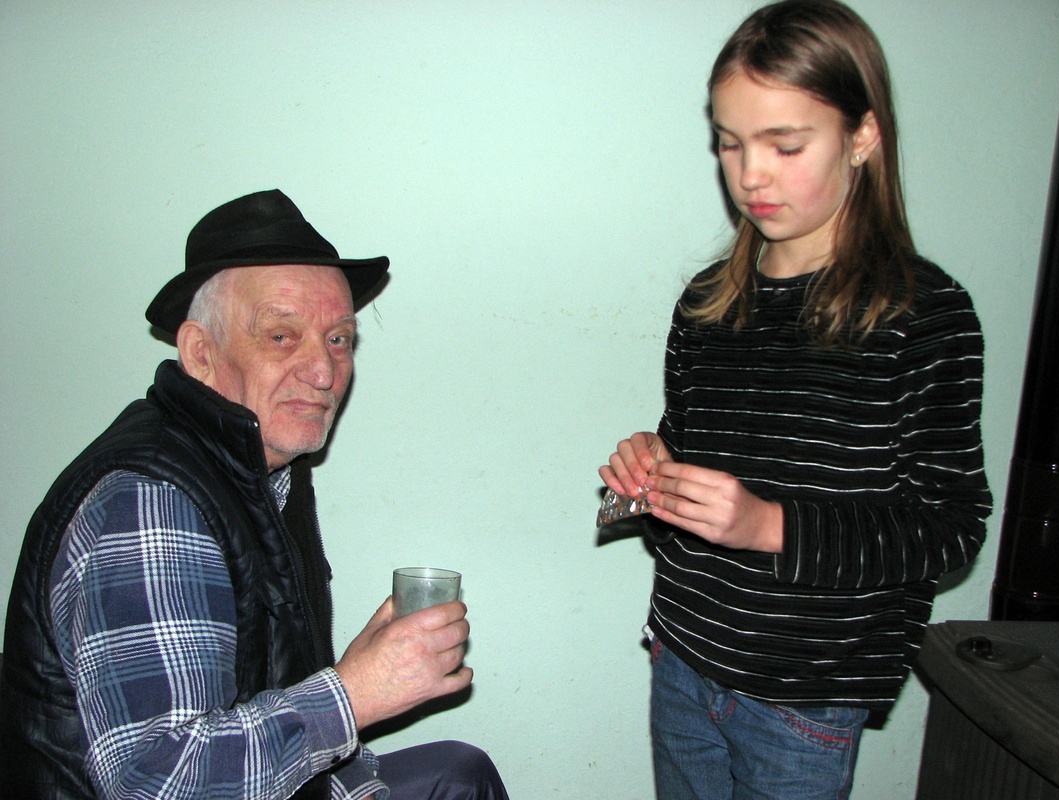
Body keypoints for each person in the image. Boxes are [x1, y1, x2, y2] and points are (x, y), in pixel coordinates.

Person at [598, 2, 992, 798]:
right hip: (682, 659)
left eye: (785, 145)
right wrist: (653, 476)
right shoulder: (707, 304)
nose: (751, 174)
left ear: (862, 136)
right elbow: (695, 481)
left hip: (804, 698)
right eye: (730, 141)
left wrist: (768, 526)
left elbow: (950, 529)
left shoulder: (924, 316)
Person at [0, 189, 510, 800]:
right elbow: (160, 782)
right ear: (200, 353)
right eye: (281, 336)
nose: (323, 372)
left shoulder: (264, 473)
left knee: (459, 773)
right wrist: (354, 694)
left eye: (339, 339)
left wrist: (354, 738)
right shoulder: (152, 502)